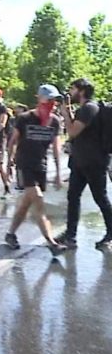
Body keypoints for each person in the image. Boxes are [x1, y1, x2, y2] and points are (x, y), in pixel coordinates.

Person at [4, 85, 67, 256]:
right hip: (24, 165)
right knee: (38, 200)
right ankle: (52, 242)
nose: (52, 104)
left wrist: (59, 174)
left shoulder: (54, 121)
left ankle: (10, 234)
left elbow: (56, 147)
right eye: (49, 99)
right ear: (39, 99)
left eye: (54, 100)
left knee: (26, 204)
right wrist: (8, 164)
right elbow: (12, 142)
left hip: (41, 167)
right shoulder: (25, 118)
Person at [58, 78, 112, 249]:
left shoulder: (89, 108)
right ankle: (70, 235)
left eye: (72, 89)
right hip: (81, 162)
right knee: (73, 197)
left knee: (100, 198)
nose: (70, 92)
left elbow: (73, 131)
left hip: (93, 162)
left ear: (81, 91)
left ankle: (111, 232)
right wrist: (68, 112)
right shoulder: (85, 109)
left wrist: (65, 115)